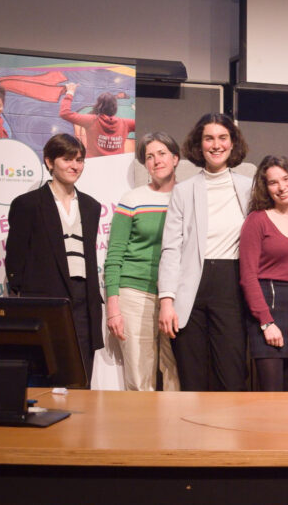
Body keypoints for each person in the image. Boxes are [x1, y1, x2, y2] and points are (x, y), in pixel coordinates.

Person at [157, 113, 252, 392]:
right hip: (191, 290)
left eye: (223, 138)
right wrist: (166, 301)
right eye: (208, 138)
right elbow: (171, 247)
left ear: (233, 143)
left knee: (232, 377)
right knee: (193, 378)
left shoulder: (250, 186)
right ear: (199, 145)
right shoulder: (184, 191)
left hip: (232, 285)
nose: (216, 144)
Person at [5, 133, 103, 383]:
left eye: (79, 160)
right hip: (44, 298)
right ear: (49, 162)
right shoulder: (27, 204)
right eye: (67, 159)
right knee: (44, 374)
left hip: (83, 300)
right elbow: (15, 258)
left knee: (80, 376)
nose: (75, 166)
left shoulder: (91, 206)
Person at [103, 132, 182, 391]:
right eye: (149, 156)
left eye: (161, 154)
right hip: (135, 293)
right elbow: (114, 255)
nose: (156, 160)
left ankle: (174, 432)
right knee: (139, 379)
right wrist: (113, 307)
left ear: (175, 158)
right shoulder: (132, 199)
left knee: (175, 377)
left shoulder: (188, 197)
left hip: (178, 296)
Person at [239, 156, 288, 392]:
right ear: (265, 188)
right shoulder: (257, 220)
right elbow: (248, 277)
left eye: (286, 179)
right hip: (268, 307)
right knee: (270, 397)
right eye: (273, 182)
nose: (282, 187)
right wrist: (266, 322)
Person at [59, 82, 136, 157]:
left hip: (94, 167)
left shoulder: (91, 121)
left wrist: (70, 92)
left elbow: (64, 113)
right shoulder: (125, 123)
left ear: (98, 105)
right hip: (116, 167)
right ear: (115, 108)